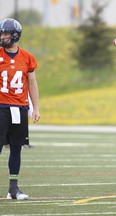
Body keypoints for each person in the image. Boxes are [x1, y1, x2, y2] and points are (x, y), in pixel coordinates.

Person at [0, 18, 40, 200]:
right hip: (1, 107)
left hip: (20, 108)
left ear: (15, 35)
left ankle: (13, 189)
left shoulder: (27, 57)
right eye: (2, 33)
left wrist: (36, 108)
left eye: (6, 33)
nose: (3, 36)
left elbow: (32, 83)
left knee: (17, 148)